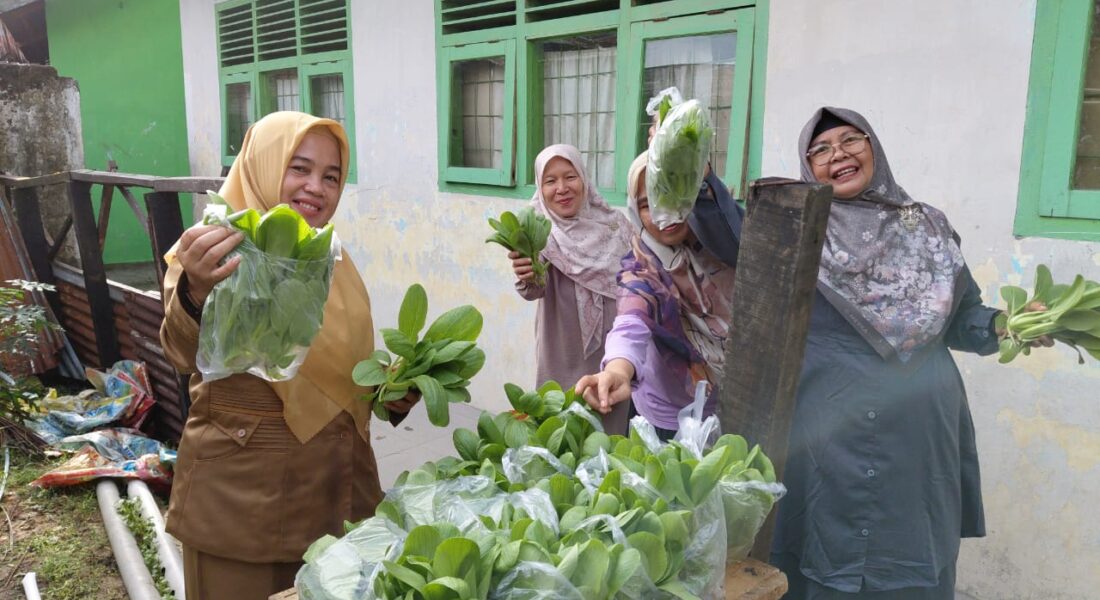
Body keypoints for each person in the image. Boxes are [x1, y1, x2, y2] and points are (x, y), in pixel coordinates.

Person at [771, 107, 1046, 599]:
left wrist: (1005, 325)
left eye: (852, 140)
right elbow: (720, 232)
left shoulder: (926, 226)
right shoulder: (796, 230)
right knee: (825, 553)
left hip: (917, 431)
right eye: (821, 150)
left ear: (874, 148)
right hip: (827, 429)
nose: (839, 154)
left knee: (911, 556)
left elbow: (962, 315)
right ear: (808, 168)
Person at [160, 111, 417, 599]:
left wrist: (389, 394)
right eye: (299, 168)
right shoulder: (213, 249)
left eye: (331, 176)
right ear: (262, 164)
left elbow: (339, 369)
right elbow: (182, 351)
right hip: (245, 508)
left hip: (339, 495)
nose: (316, 187)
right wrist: (196, 290)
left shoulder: (332, 259)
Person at [575, 152, 738, 440]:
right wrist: (617, 370)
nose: (663, 212)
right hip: (667, 415)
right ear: (635, 212)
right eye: (646, 204)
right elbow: (631, 321)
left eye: (670, 194)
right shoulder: (641, 268)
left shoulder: (729, 248)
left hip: (737, 403)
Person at [508, 144, 633, 434]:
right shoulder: (537, 230)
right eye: (550, 181)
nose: (562, 188)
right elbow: (532, 290)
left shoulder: (616, 225)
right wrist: (527, 274)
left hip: (612, 348)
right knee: (559, 428)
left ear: (584, 179)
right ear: (540, 188)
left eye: (570, 177)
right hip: (561, 349)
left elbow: (638, 282)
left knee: (609, 427)